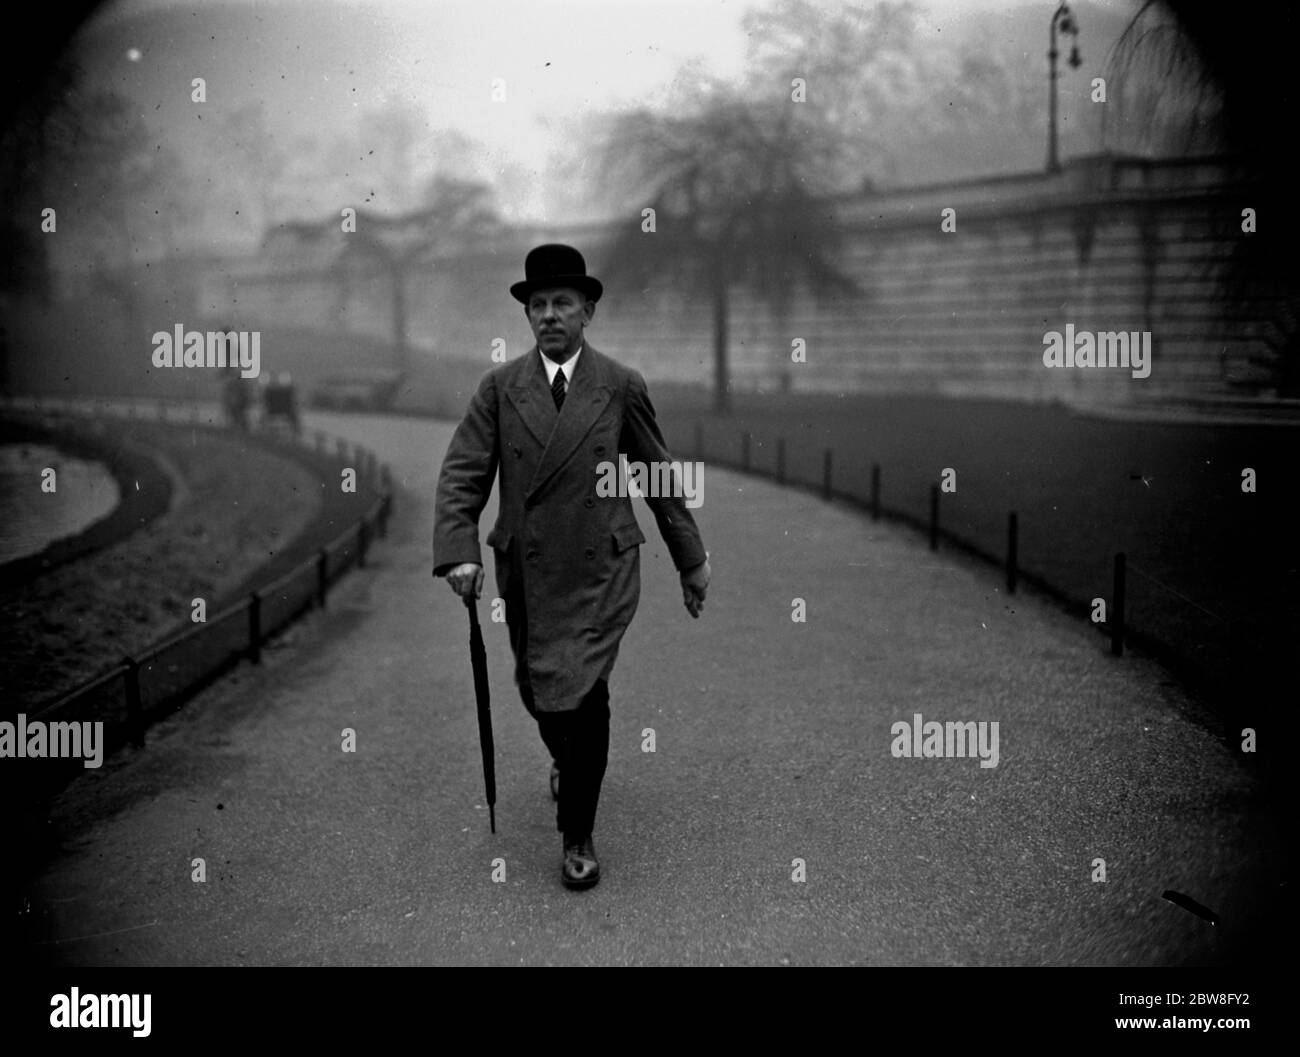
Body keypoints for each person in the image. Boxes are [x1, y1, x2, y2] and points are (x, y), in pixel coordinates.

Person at [432, 244, 711, 889]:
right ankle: (567, 760)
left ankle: (578, 833)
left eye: (562, 304)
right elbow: (462, 474)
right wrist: (458, 553)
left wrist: (689, 560)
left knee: (584, 696)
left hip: (599, 568)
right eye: (538, 305)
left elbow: (657, 477)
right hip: (529, 571)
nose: (549, 316)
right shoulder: (500, 390)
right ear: (527, 316)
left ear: (588, 312)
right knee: (539, 691)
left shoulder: (619, 385)